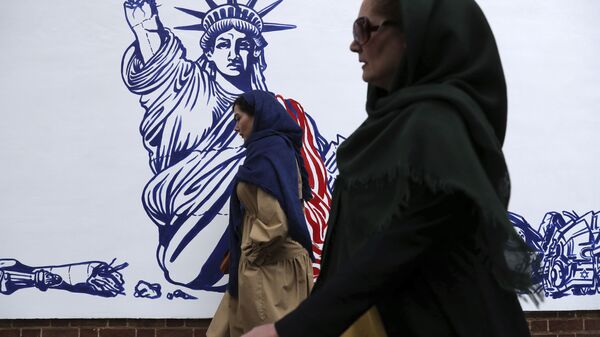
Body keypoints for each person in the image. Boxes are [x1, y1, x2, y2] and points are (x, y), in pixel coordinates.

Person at [241, 0, 536, 336]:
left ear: (415, 34)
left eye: (364, 29)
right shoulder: (395, 130)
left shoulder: (437, 125)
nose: (355, 44)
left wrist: (292, 330)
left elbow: (401, 242)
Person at [121, 0, 336, 290]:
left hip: (262, 230)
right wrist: (146, 27)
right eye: (223, 44)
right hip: (188, 217)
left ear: (255, 52)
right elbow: (161, 71)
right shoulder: (188, 90)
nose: (233, 53)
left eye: (243, 45)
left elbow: (317, 161)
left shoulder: (278, 109)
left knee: (270, 156)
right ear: (209, 53)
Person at [206, 90, 315, 337]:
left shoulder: (268, 154)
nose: (235, 128)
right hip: (268, 267)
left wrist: (248, 256)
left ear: (258, 116)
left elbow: (274, 222)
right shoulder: (276, 150)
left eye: (238, 118)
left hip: (270, 272)